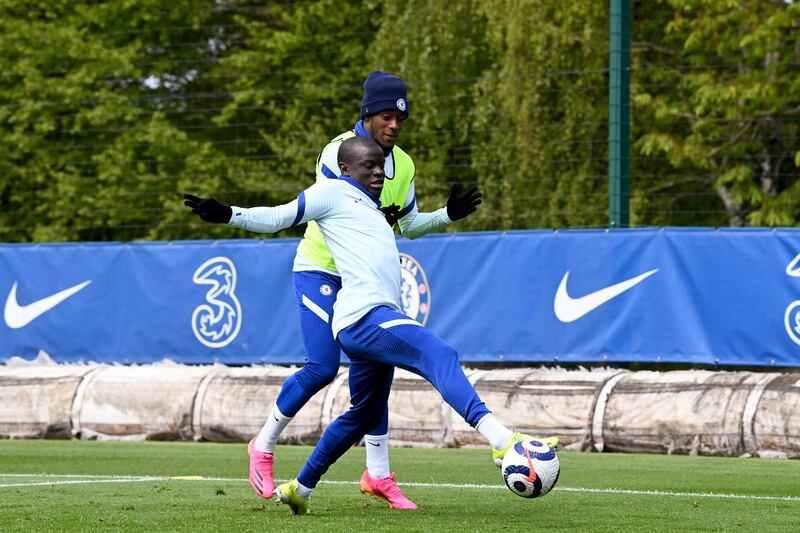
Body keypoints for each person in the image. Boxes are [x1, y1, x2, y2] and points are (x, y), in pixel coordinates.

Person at [184, 136, 558, 515]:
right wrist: (230, 213)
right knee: (440, 353)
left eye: (381, 165)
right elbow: (279, 216)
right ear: (345, 168)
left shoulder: (376, 209)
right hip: (363, 317)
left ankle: (301, 488)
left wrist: (445, 214)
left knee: (364, 414)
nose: (379, 171)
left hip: (368, 321)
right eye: (369, 165)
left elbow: (409, 225)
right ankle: (501, 440)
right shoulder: (330, 191)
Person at [245, 71, 481, 510]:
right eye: (387, 116)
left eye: (401, 119)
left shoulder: (405, 165)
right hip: (322, 270)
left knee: (373, 382)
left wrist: (446, 214)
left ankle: (377, 475)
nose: (394, 125)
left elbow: (408, 226)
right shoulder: (338, 152)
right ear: (368, 114)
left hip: (364, 282)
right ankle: (263, 444)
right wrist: (379, 212)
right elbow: (340, 205)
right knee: (320, 367)